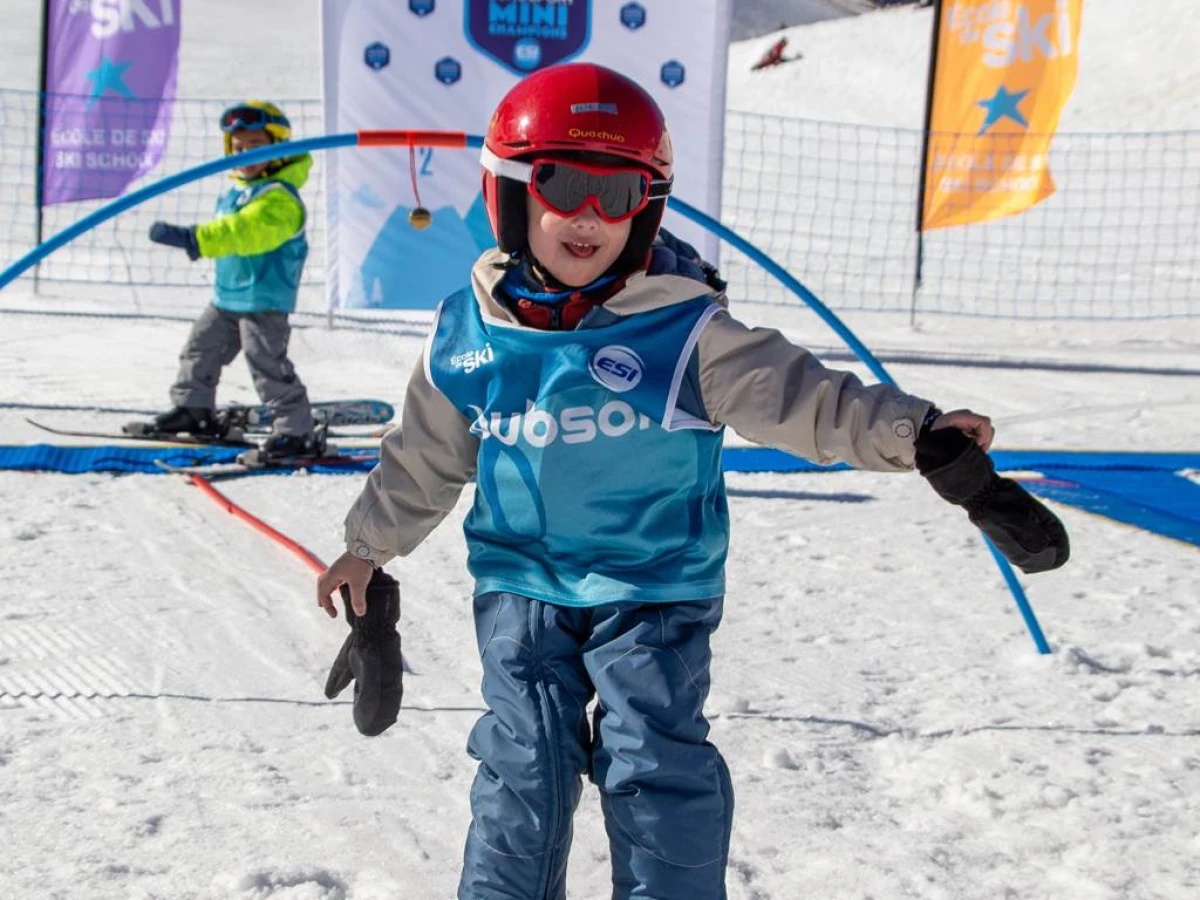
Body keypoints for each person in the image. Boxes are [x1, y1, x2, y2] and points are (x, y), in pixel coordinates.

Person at [315, 63, 1067, 899]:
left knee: (653, 762)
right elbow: (424, 456)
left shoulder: (686, 332)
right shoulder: (469, 335)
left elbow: (808, 400)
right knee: (524, 763)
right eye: (564, 184)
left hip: (655, 587)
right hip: (522, 585)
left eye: (619, 191)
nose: (590, 216)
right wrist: (366, 550)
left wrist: (920, 435)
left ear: (649, 206)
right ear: (511, 192)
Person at [133, 100, 318, 459]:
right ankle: (194, 410)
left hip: (263, 301)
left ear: (278, 149)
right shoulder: (237, 191)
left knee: (267, 365)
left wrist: (196, 238)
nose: (244, 154)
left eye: (255, 147)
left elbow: (246, 233)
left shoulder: (279, 198)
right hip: (227, 296)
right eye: (237, 148)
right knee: (199, 350)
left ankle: (295, 431)